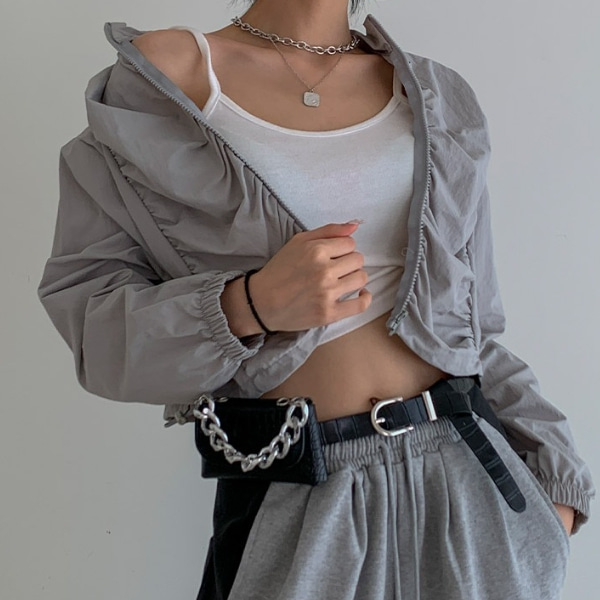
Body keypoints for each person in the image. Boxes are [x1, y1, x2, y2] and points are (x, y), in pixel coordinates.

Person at [37, 0, 594, 598]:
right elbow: (98, 334)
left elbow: (474, 329)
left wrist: (554, 482)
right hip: (301, 490)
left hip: (469, 479)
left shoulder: (434, 94)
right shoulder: (159, 86)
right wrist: (247, 305)